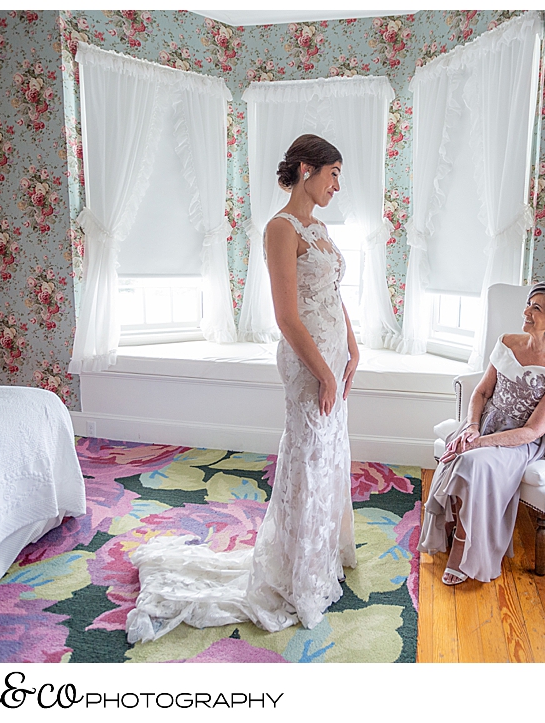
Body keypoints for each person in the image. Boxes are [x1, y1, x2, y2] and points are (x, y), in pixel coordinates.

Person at [125, 134, 358, 641]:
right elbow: (287, 317)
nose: (339, 185)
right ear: (305, 169)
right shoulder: (281, 228)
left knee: (329, 455)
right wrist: (322, 371)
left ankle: (319, 554)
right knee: (308, 455)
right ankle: (295, 569)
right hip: (307, 362)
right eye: (333, 173)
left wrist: (353, 349)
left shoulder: (319, 227)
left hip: (334, 358)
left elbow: (334, 294)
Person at [418, 280, 545, 585]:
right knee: (457, 450)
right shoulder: (508, 343)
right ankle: (456, 525)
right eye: (529, 303)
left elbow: (534, 430)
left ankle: (464, 546)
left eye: (536, 308)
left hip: (517, 442)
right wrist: (470, 427)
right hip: (484, 423)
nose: (526, 311)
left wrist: (480, 443)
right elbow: (481, 393)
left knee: (470, 461)